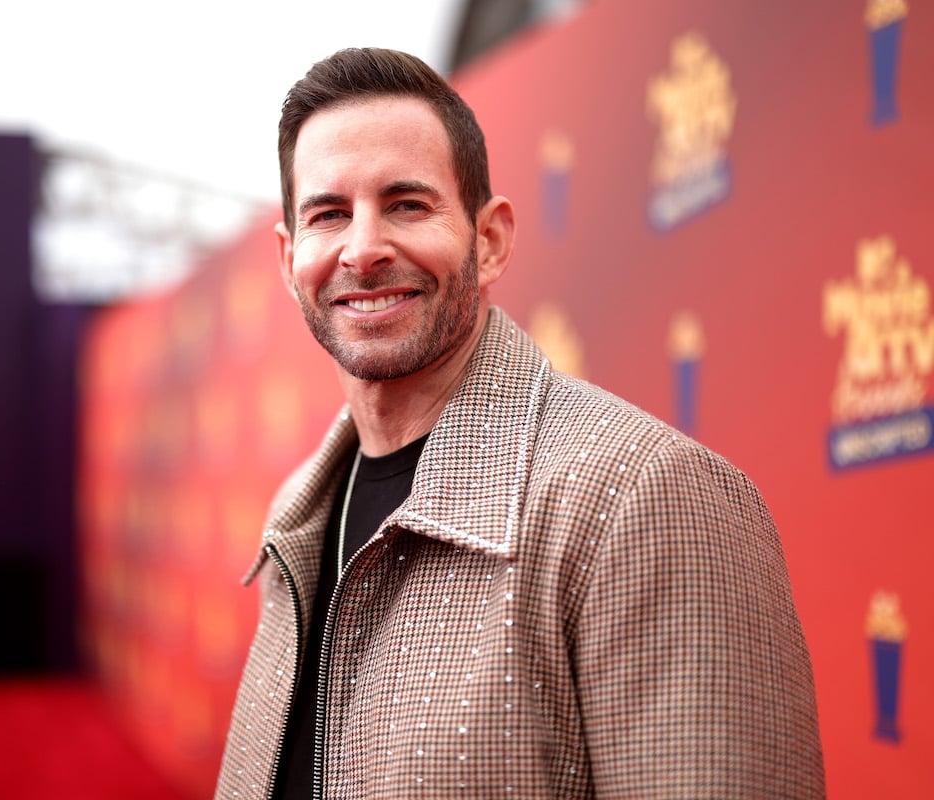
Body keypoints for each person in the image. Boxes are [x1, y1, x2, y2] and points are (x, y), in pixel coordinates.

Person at [215, 48, 825, 799]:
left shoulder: (643, 498)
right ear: (289, 259)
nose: (364, 249)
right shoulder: (297, 518)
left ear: (492, 239)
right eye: (329, 214)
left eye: (407, 204)